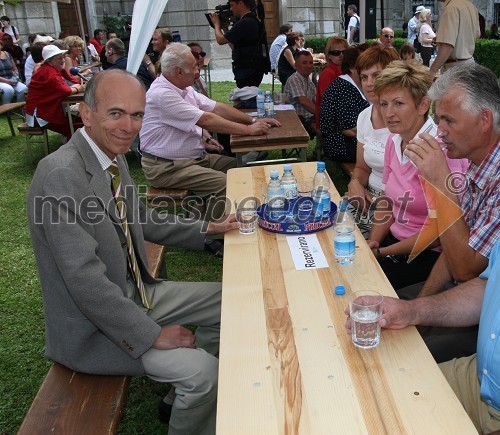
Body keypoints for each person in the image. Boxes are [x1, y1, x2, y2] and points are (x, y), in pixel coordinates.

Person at [27, 68, 239, 434]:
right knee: (205, 373)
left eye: (137, 114)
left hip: (136, 292)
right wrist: (151, 334)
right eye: (115, 113)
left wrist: (208, 227)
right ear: (86, 113)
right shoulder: (61, 175)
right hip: (95, 327)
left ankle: (178, 400)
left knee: (233, 301)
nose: (129, 126)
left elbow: (140, 217)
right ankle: (193, 395)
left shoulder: (109, 152)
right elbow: (85, 281)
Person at [344, 241, 500, 435]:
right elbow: (487, 287)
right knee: (369, 397)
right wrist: (412, 310)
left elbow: (463, 268)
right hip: (478, 377)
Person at [400, 63, 499, 362]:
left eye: (448, 121)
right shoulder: (478, 161)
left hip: (485, 317)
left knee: (407, 357)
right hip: (464, 296)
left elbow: (467, 269)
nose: (439, 131)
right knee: (388, 313)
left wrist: (441, 184)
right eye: (437, 118)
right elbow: (455, 246)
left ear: (484, 120)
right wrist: (422, 305)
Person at [140, 44, 280, 222]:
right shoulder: (162, 95)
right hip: (166, 167)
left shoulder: (183, 88)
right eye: (193, 67)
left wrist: (253, 121)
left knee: (240, 171)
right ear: (178, 72)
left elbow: (217, 108)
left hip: (191, 158)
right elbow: (207, 119)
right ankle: (210, 233)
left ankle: (214, 216)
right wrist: (248, 130)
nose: (198, 71)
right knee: (224, 183)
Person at [367, 60, 468, 290]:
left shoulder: (443, 151)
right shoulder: (395, 140)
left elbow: (441, 231)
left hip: (431, 255)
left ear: (423, 105)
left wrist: (382, 252)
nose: (389, 113)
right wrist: (373, 241)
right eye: (383, 104)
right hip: (392, 243)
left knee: (367, 289)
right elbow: (387, 201)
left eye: (398, 103)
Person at [346, 45, 400, 237]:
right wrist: (355, 185)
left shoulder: (403, 122)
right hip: (367, 198)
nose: (369, 83)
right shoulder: (364, 117)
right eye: (364, 77)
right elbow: (362, 167)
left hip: (396, 208)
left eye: (376, 76)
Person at [319, 46, 369, 163]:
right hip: (341, 145)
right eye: (365, 63)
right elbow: (349, 129)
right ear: (352, 68)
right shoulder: (344, 87)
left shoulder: (351, 85)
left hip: (349, 142)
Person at [25, 45, 85, 140]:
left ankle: (69, 141)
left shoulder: (51, 69)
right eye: (59, 59)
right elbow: (65, 90)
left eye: (62, 57)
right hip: (39, 115)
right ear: (49, 61)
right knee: (75, 128)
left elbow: (68, 83)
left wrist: (77, 85)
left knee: (81, 122)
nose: (63, 61)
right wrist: (78, 89)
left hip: (45, 110)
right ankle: (71, 149)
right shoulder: (49, 72)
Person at [211, 0, 270, 88]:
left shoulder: (245, 22)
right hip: (250, 69)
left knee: (245, 98)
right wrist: (225, 28)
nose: (231, 9)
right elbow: (235, 46)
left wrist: (216, 24)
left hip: (248, 70)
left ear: (241, 3)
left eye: (232, 5)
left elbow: (220, 40)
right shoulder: (251, 20)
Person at [428, 0, 480, 77]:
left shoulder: (451, 8)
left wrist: (432, 71)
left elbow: (447, 46)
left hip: (455, 69)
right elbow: (477, 34)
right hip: (468, 64)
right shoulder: (471, 7)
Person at [315, 37, 348, 129]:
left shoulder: (345, 71)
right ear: (329, 55)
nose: (341, 55)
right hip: (331, 125)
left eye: (344, 52)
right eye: (336, 53)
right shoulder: (328, 73)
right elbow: (329, 103)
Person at [284, 51, 316, 138]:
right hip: (296, 120)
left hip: (308, 118)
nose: (309, 66)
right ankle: (322, 150)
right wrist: (322, 114)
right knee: (327, 127)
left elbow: (316, 102)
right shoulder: (294, 79)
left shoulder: (310, 82)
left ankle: (320, 150)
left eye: (311, 63)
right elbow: (303, 101)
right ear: (296, 65)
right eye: (305, 63)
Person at [0, 36, 27, 104]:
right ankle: (6, 106)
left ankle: (18, 104)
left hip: (11, 78)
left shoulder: (7, 54)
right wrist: (8, 81)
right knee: (9, 89)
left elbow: (14, 68)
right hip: (1, 81)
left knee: (24, 88)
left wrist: (15, 78)